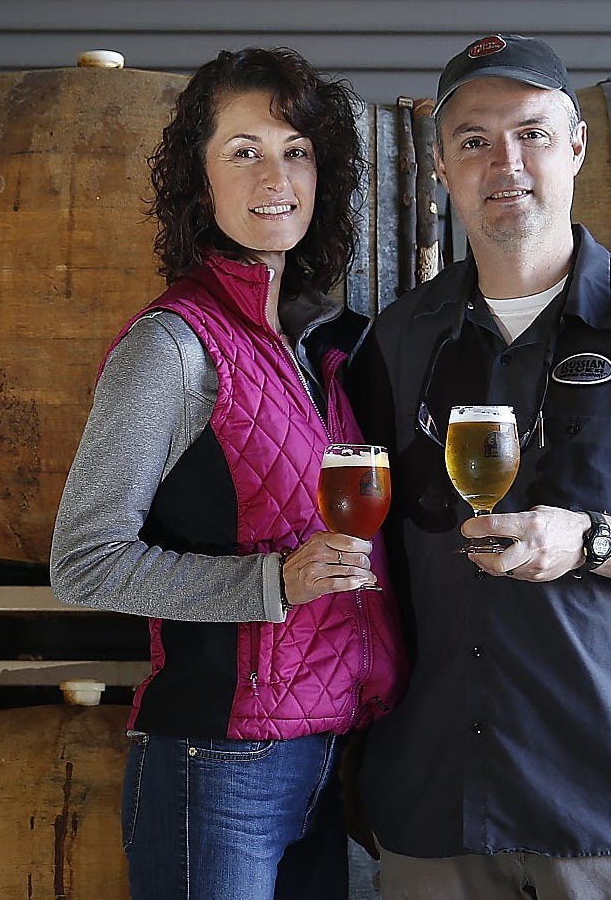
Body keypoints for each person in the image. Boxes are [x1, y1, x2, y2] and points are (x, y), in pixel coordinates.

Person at [349, 34, 611, 900]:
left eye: (531, 133)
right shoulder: (397, 341)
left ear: (576, 147)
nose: (503, 161)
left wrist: (590, 540)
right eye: (472, 140)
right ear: (439, 166)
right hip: (436, 811)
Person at [50, 46, 407, 900]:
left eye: (296, 151)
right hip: (215, 766)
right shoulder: (171, 347)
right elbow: (83, 560)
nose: (274, 175)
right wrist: (272, 584)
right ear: (199, 179)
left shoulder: (321, 346)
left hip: (324, 756)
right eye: (243, 151)